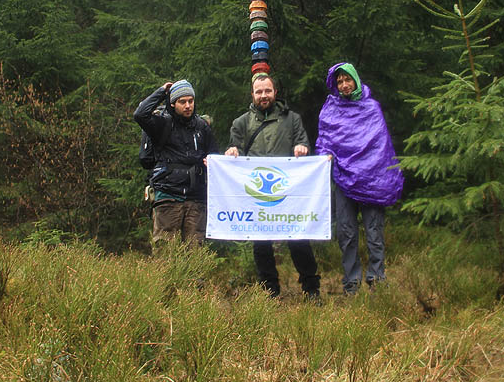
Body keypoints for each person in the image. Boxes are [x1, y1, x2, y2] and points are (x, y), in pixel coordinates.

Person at [225, 74, 322, 302]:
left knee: (299, 240)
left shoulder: (292, 119)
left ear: (275, 92)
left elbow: (303, 142)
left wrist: (301, 147)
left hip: (288, 192)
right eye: (259, 92)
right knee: (261, 245)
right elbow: (234, 148)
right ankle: (270, 292)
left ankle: (311, 289)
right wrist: (232, 152)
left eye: (267, 91)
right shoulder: (241, 122)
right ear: (252, 95)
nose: (263, 96)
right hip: (257, 195)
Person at [315, 63, 403, 294]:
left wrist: (375, 171)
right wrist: (323, 156)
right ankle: (351, 284)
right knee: (347, 232)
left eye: (347, 80)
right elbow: (325, 141)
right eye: (339, 81)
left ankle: (377, 280)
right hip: (344, 180)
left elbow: (380, 146)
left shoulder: (371, 108)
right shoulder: (331, 109)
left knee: (374, 232)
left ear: (355, 80)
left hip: (372, 180)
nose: (344, 85)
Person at [135, 79, 218, 246]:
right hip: (168, 196)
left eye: (191, 101)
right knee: (165, 251)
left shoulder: (202, 127)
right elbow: (140, 114)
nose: (188, 105)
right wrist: (162, 91)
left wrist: (211, 163)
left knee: (195, 253)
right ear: (172, 104)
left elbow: (214, 156)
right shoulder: (162, 124)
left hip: (196, 198)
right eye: (182, 102)